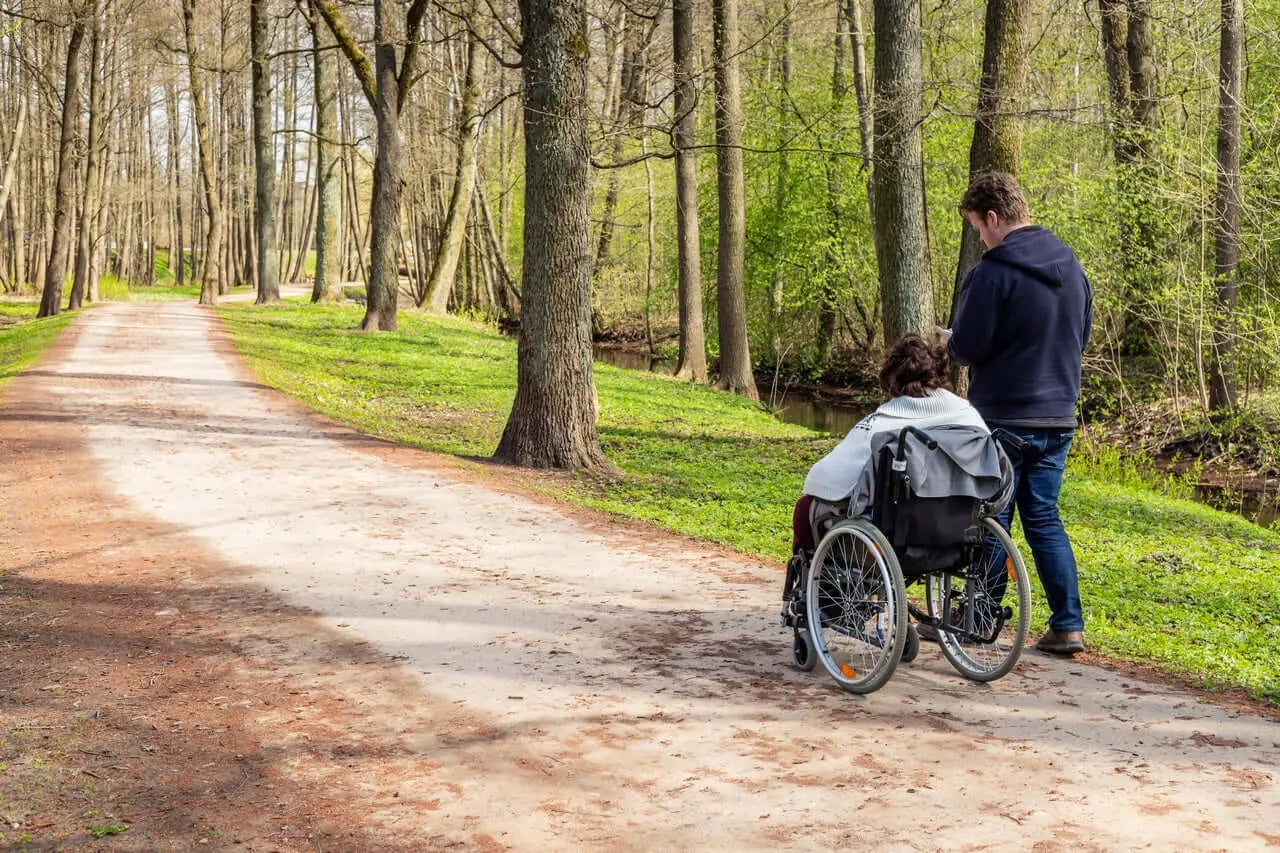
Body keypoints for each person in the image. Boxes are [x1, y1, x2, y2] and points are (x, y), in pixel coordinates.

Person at [944, 171, 1093, 656]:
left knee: (992, 516)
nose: (980, 239)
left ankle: (978, 616)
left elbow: (968, 346)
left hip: (1005, 415)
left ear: (993, 218)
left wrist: (950, 342)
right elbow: (1081, 336)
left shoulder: (992, 272)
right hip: (1059, 416)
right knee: (1044, 517)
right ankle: (1068, 625)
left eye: (978, 228)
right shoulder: (1071, 266)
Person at [791, 333, 988, 557]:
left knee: (805, 508)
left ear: (892, 380)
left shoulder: (882, 423)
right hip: (957, 527)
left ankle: (810, 575)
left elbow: (822, 480)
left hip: (893, 534)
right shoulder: (968, 416)